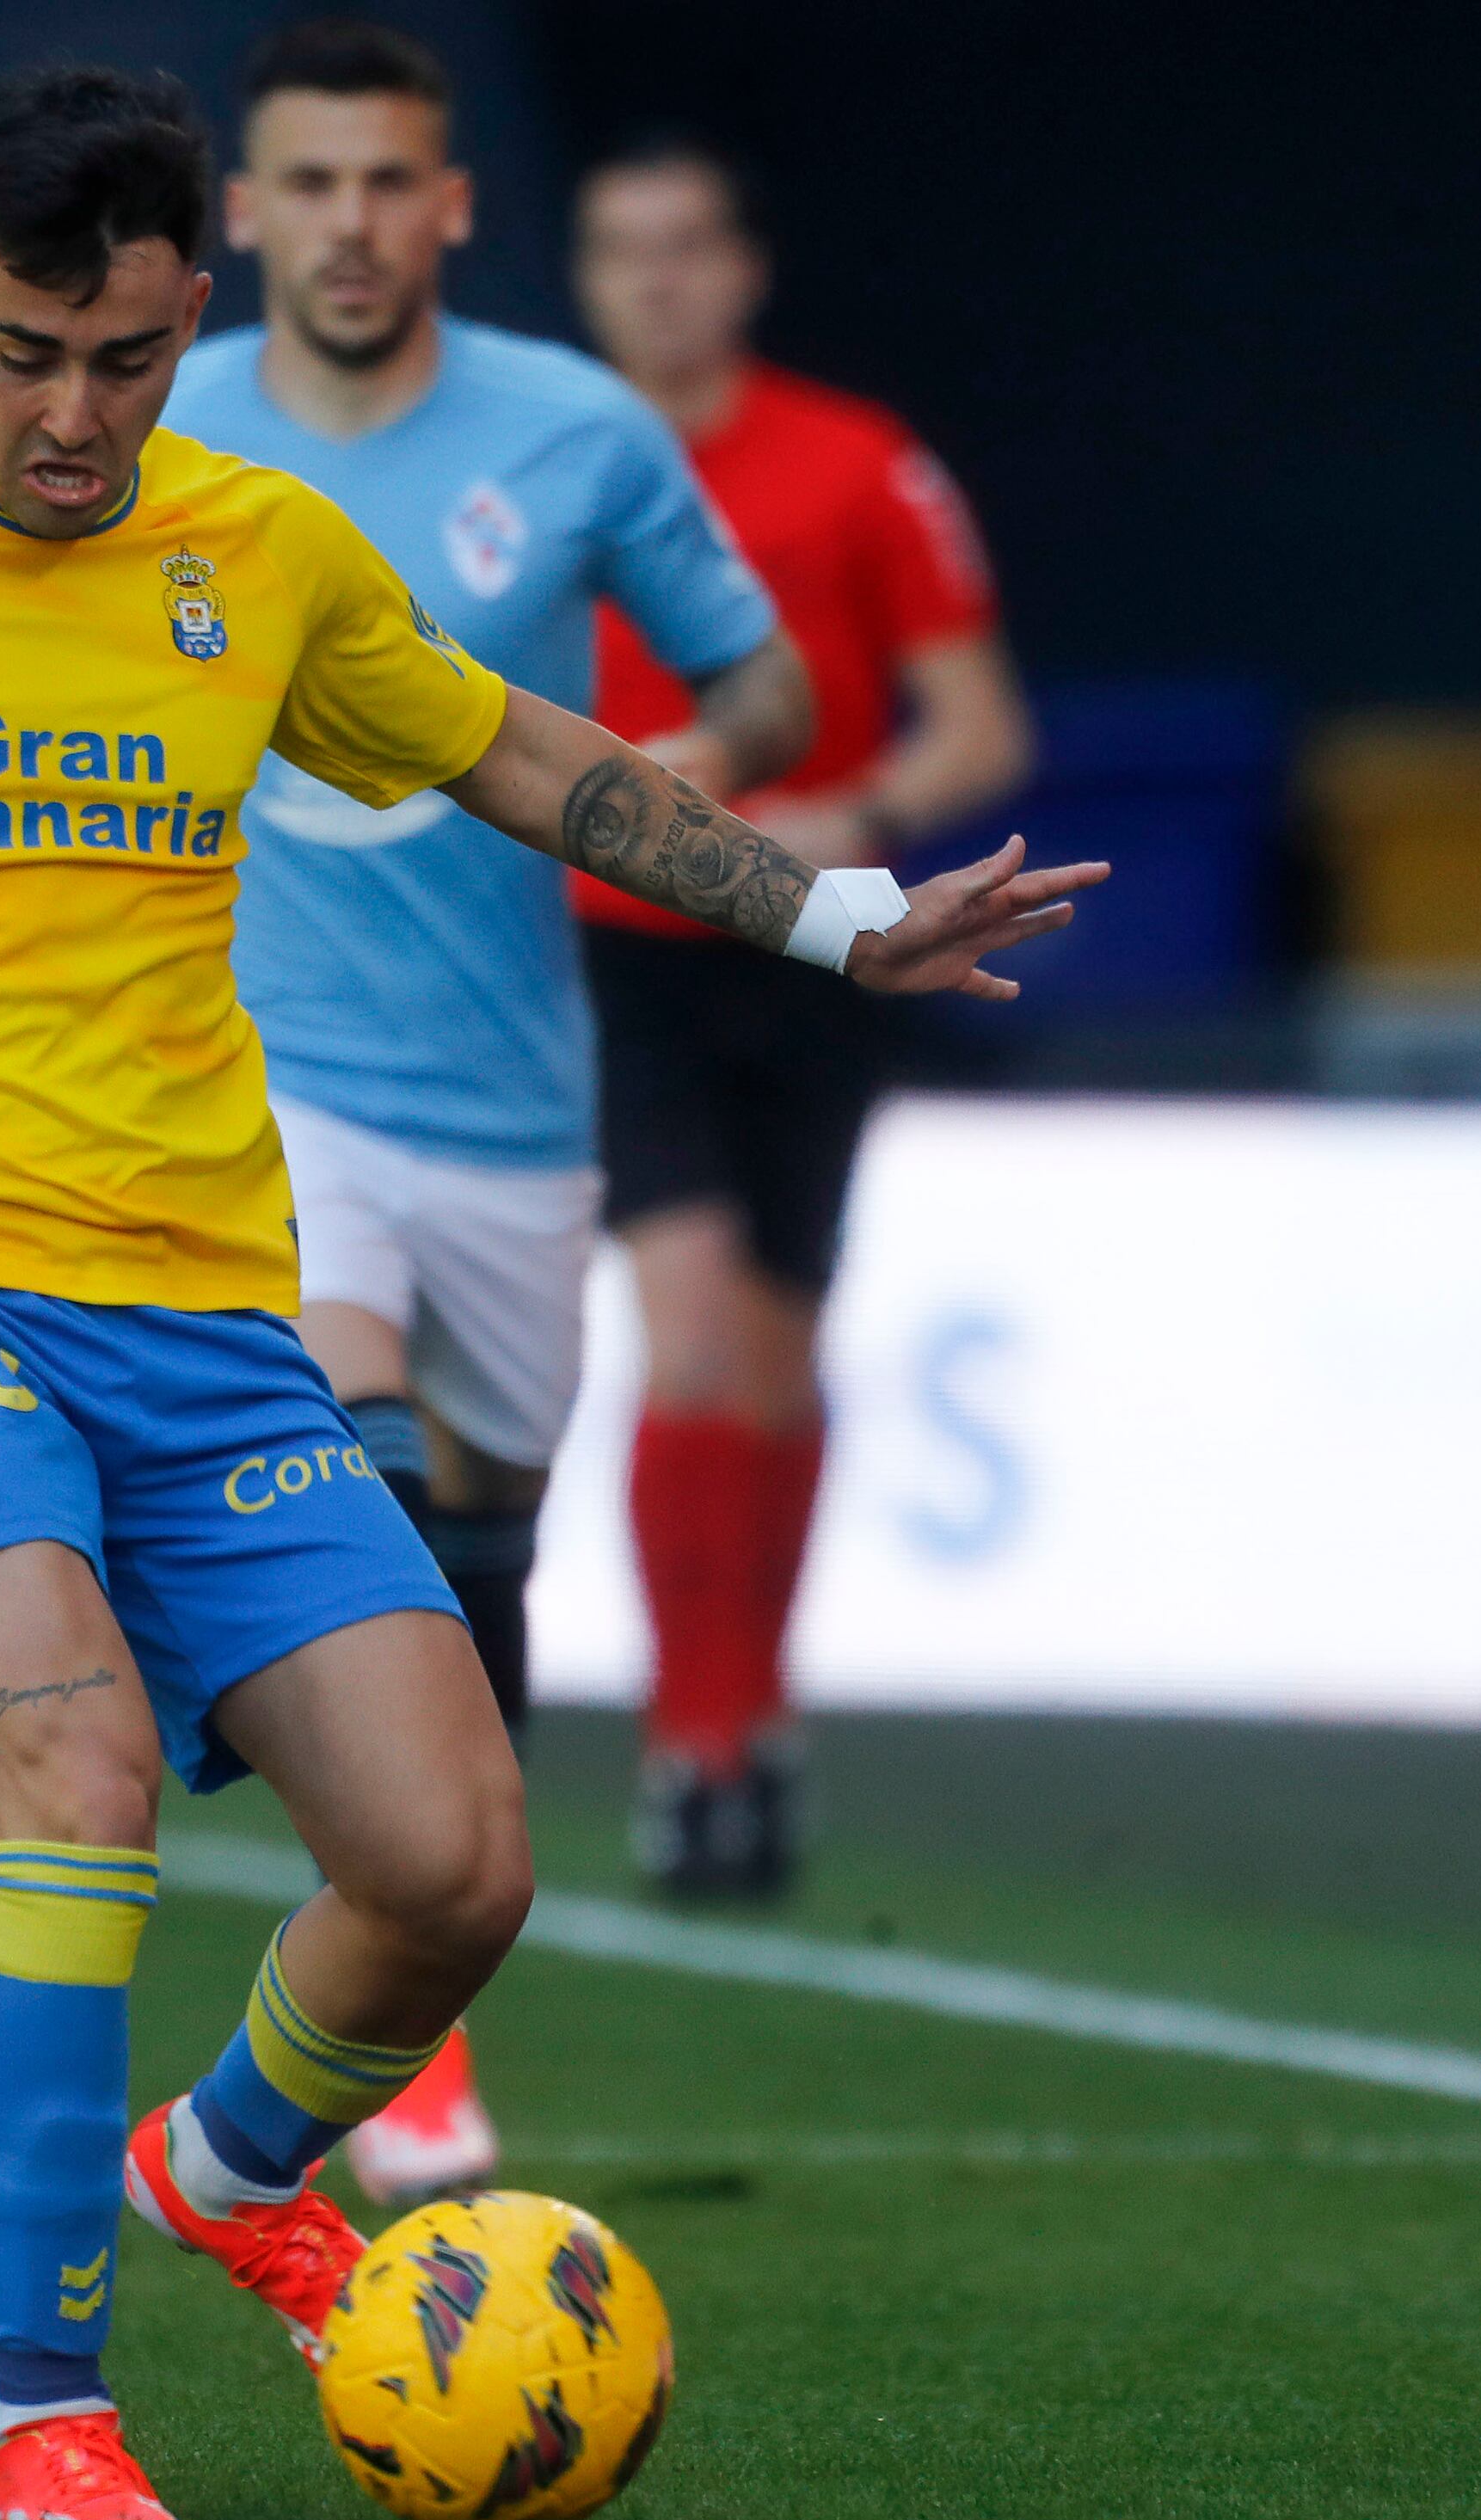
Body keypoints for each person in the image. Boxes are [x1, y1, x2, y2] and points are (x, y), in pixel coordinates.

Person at [0, 63, 1093, 2520]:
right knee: (81, 1784)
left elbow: (527, 756)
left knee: (456, 1864)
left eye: (129, 360)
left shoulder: (255, 551)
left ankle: (227, 2164)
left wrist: (832, 913)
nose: (75, 417)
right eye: (25, 353)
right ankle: (49, 2409)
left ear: (194, 318)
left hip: (207, 1321)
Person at [162, 21, 814, 2203]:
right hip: (271, 1075)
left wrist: (650, 806)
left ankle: (414, 1997)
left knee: (488, 1552)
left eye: (390, 184)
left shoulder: (577, 431)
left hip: (518, 1096)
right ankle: (255, 1725)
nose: (350, 223)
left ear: (450, 207)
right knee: (341, 1446)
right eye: (310, 185)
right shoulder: (159, 428)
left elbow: (766, 682)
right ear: (244, 215)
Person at [573, 133, 1039, 1898]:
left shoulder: (858, 466)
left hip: (818, 941)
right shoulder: (544, 468)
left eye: (686, 246)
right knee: (685, 1328)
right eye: (623, 250)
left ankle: (754, 1713)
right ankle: (691, 1748)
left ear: (742, 269)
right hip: (614, 943)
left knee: (772, 1349)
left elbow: (980, 724)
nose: (659, 280)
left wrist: (864, 811)